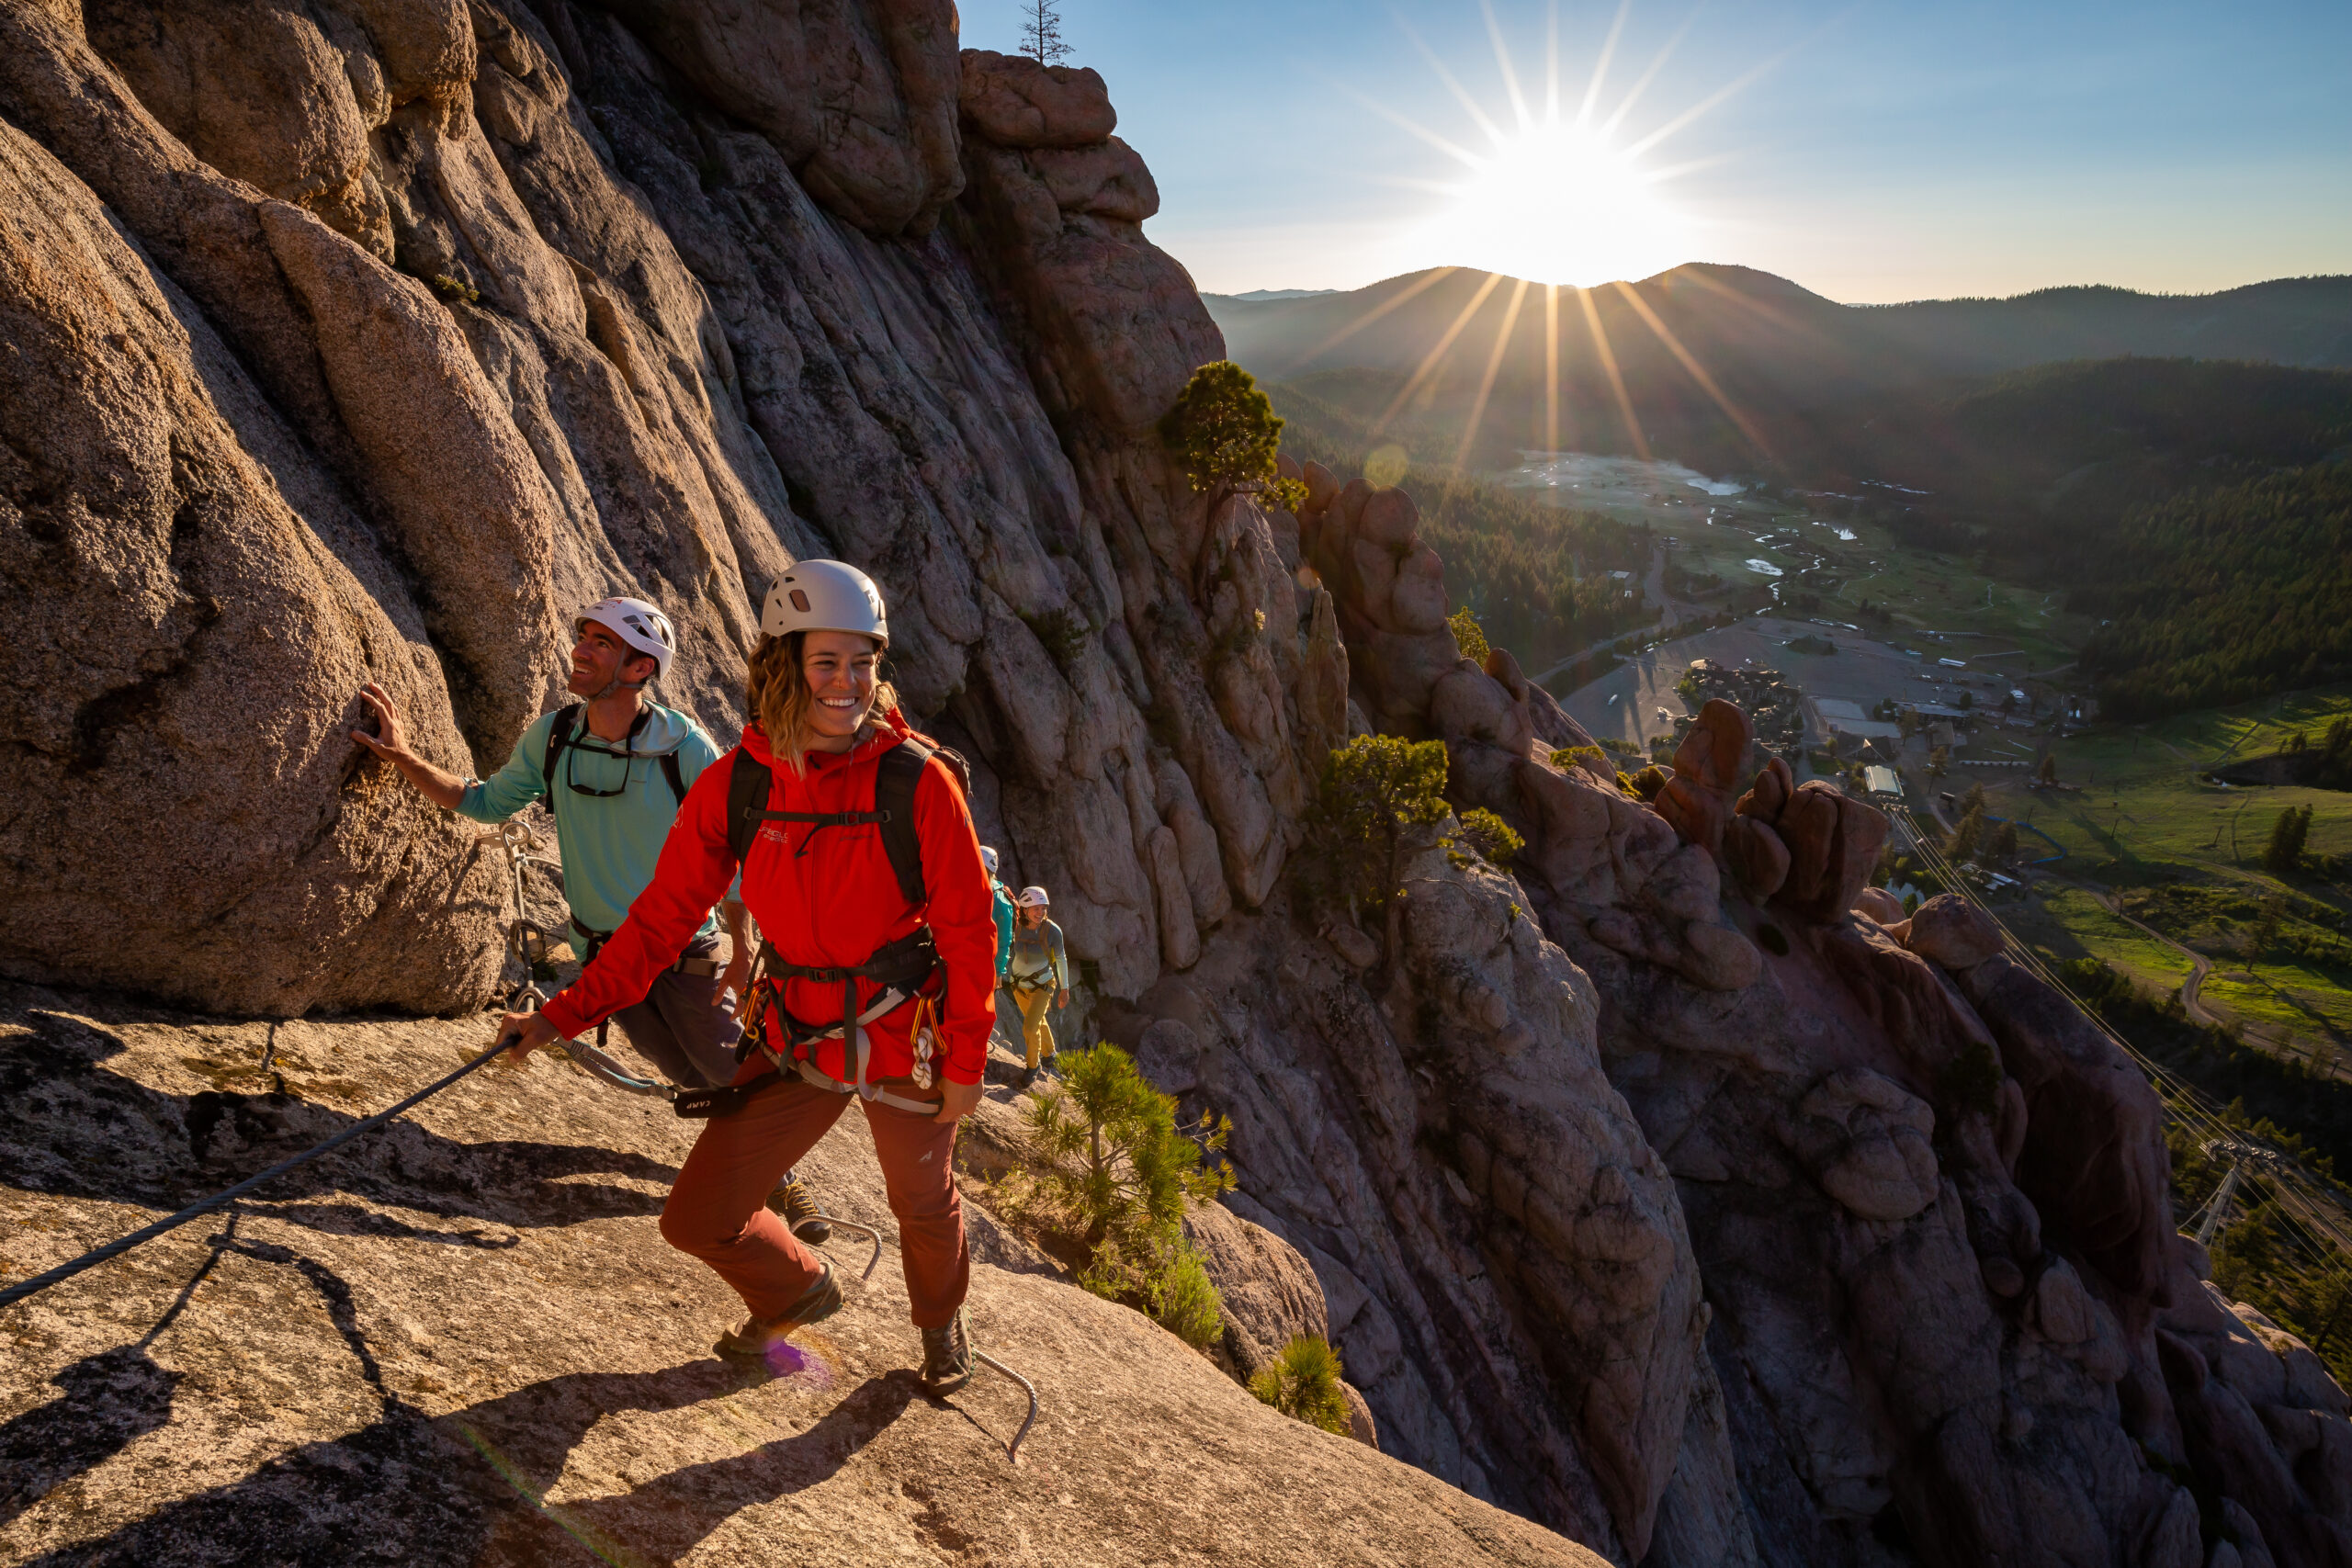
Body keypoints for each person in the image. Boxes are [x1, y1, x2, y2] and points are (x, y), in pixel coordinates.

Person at [494, 561, 995, 1393]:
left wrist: (969, 1062)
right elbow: (655, 924)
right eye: (826, 662)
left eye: (862, 662)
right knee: (695, 1216)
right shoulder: (742, 784)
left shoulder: (918, 782)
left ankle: (941, 1320)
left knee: (921, 1196)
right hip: (797, 1029)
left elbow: (970, 932)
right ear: (783, 666)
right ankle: (799, 1286)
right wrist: (557, 1017)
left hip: (898, 1028)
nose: (848, 683)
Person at [351, 598, 828, 1241]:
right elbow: (486, 801)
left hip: (685, 951)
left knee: (732, 1071)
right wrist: (403, 755)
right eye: (584, 637)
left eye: (601, 642)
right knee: (686, 1073)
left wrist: (742, 946)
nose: (581, 648)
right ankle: (752, 1170)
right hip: (606, 959)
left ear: (638, 667)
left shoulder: (681, 745)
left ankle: (787, 1184)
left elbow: (734, 845)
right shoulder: (554, 736)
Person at [1007, 886, 1069, 1083]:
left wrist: (1064, 989)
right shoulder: (1015, 925)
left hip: (1042, 986)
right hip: (1018, 986)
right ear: (1024, 909)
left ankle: (1033, 1067)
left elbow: (1061, 959)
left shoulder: (1052, 931)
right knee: (1037, 1021)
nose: (1040, 913)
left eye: (1043, 908)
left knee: (1029, 1028)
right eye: (1036, 909)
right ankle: (1050, 1054)